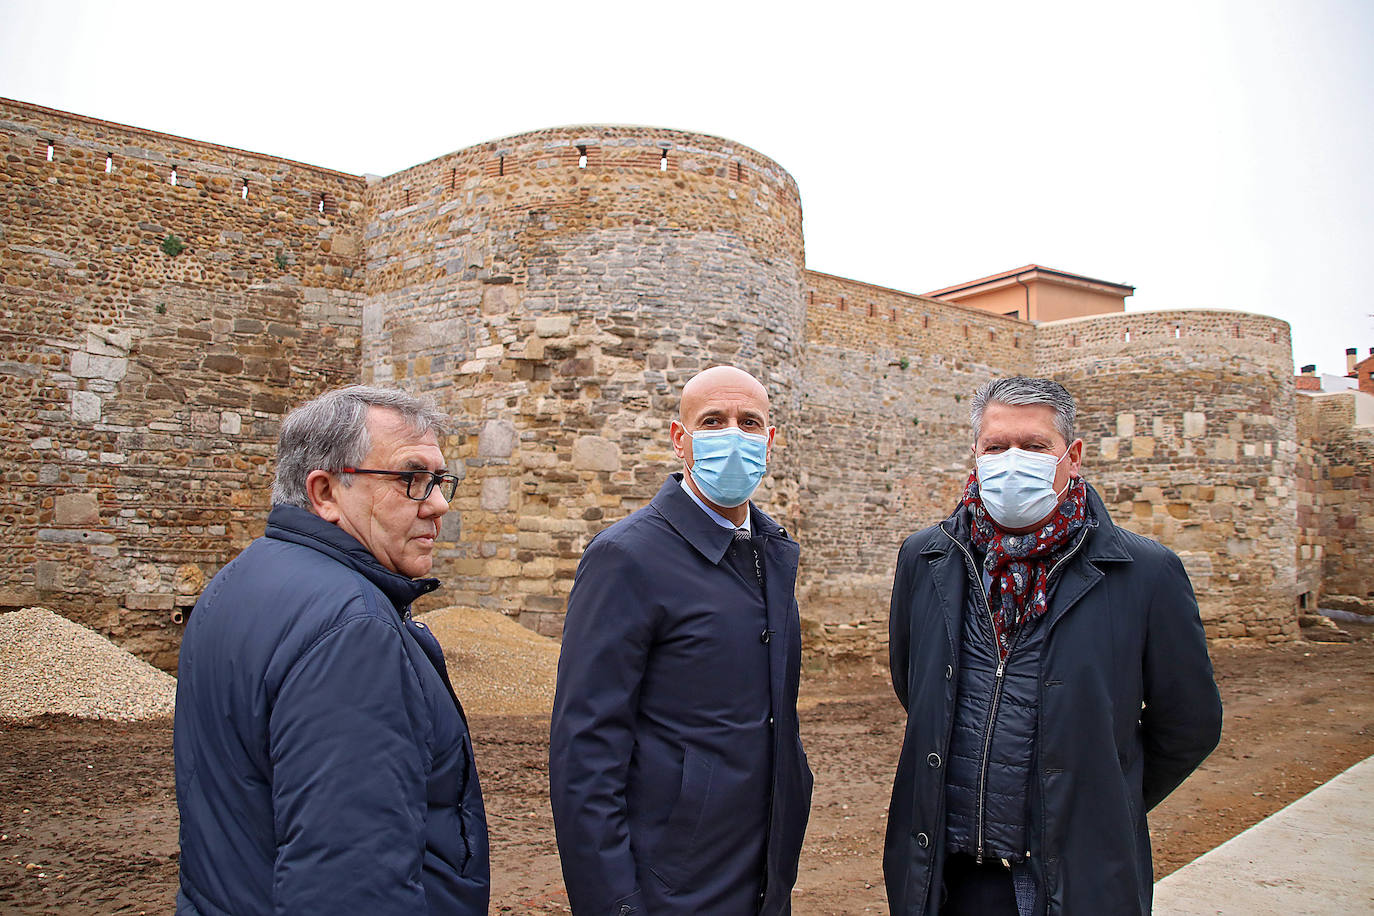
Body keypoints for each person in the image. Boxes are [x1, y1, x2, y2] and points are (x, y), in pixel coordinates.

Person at [884, 376, 1223, 916]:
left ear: (1073, 456)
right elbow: (916, 685)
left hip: (1071, 880)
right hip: (943, 877)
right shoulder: (926, 558)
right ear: (975, 454)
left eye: (1035, 446)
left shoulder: (1145, 573)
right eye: (996, 447)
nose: (1012, 461)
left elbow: (1190, 724)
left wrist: (1103, 801)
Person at [173, 386, 489, 916]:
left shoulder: (238, 581)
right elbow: (352, 879)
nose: (438, 505)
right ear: (324, 492)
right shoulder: (353, 629)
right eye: (411, 479)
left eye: (439, 481)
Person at [549, 365, 814, 915]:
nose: (733, 436)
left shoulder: (772, 555)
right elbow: (586, 752)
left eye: (749, 422)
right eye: (713, 421)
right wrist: (614, 903)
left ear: (769, 441)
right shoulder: (626, 558)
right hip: (668, 887)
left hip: (758, 878)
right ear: (680, 439)